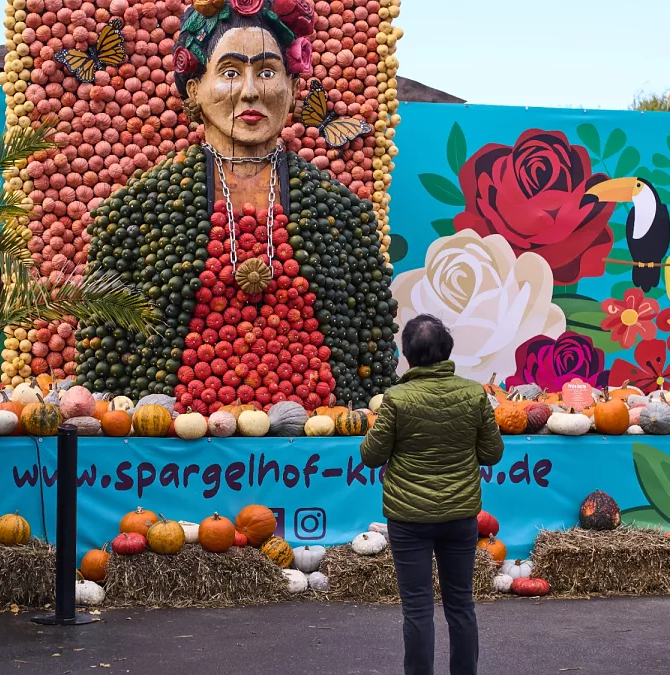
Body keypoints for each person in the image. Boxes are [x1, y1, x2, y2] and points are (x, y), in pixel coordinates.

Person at [76, 0, 400, 412]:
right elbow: (104, 349)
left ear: (293, 89)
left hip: (318, 433)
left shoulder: (345, 215)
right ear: (195, 89)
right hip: (177, 436)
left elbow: (372, 341)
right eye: (230, 72)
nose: (250, 91)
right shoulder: (134, 212)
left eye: (267, 72)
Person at [360, 314, 503, 675]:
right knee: (461, 605)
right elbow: (492, 453)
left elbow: (372, 456)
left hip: (409, 518)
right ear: (448, 351)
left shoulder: (396, 398)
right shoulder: (474, 394)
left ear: (407, 355)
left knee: (417, 608)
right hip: (460, 515)